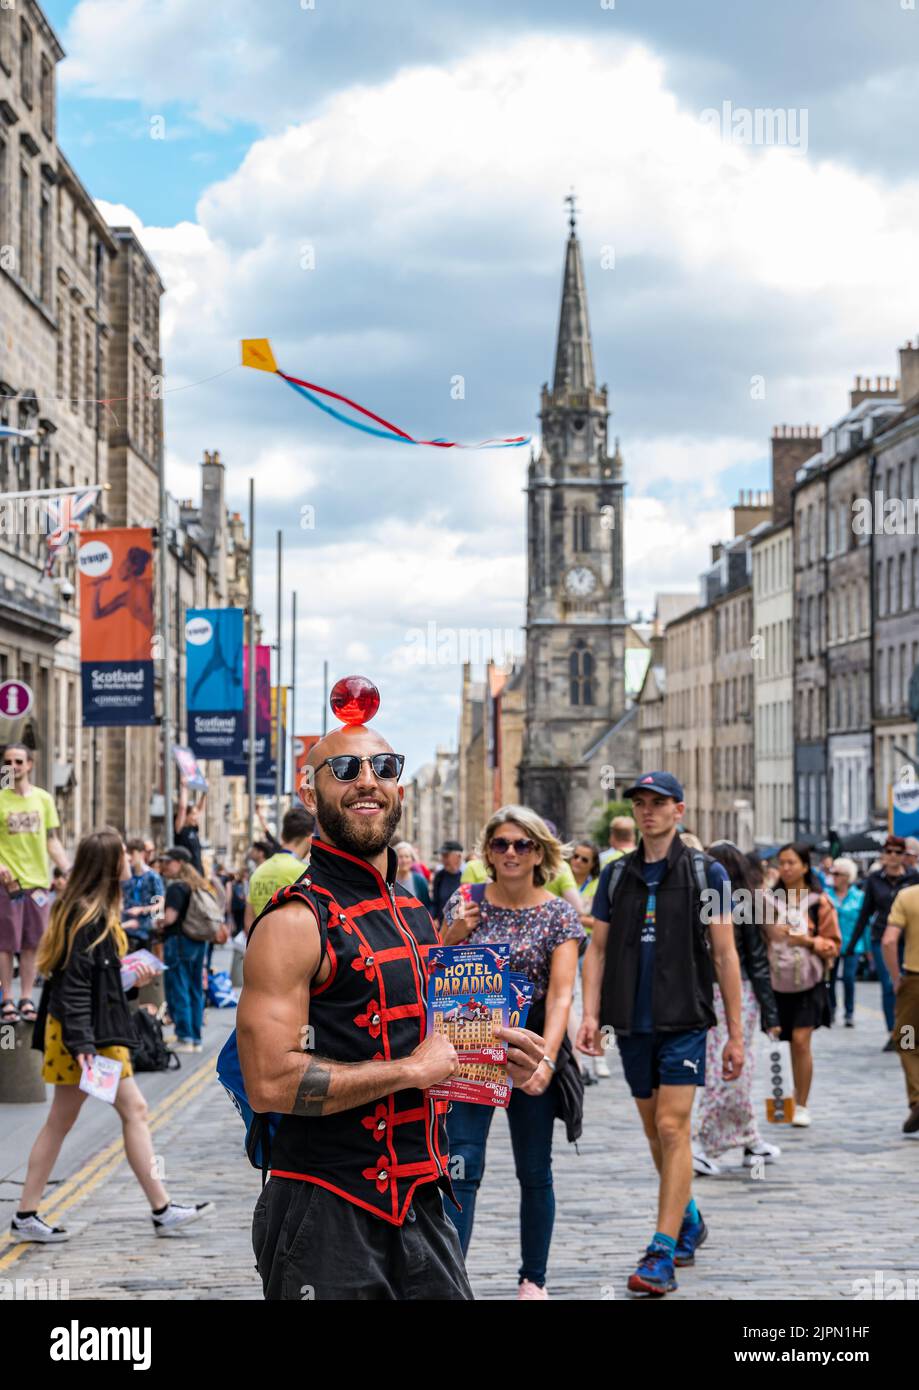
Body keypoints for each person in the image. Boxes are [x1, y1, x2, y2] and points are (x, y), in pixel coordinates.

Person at [237, 722, 545, 1301]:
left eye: (384, 768)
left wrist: (489, 1059)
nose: (368, 782)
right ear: (310, 794)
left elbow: (427, 1048)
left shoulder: (414, 911)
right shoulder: (293, 921)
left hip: (423, 1200)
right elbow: (270, 1082)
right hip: (326, 1207)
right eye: (346, 770)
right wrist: (410, 1072)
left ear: (400, 789)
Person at [577, 771, 744, 1297]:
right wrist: (590, 1015)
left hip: (685, 1019)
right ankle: (688, 1217)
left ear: (679, 810)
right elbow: (597, 949)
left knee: (674, 1128)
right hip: (632, 1021)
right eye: (641, 803)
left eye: (659, 802)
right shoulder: (615, 876)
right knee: (655, 1129)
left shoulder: (708, 873)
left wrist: (737, 1034)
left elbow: (725, 953)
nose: (648, 811)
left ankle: (660, 1252)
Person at [11, 828, 214, 1243]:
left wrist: (130, 979)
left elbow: (96, 980)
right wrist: (84, 1046)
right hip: (86, 1037)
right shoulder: (89, 916)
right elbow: (72, 987)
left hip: (91, 1032)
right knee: (85, 1118)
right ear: (108, 864)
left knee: (114, 1114)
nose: (128, 859)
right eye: (122, 853)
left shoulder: (91, 909)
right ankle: (156, 1209)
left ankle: (159, 1207)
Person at [440, 808, 583, 1298]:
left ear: (539, 852)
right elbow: (435, 972)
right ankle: (451, 1279)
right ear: (488, 853)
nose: (511, 854)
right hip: (469, 1048)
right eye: (500, 844)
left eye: (522, 845)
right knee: (461, 1165)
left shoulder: (558, 914)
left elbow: (562, 994)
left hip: (529, 1048)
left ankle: (533, 1279)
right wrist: (452, 933)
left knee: (535, 1169)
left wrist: (548, 1059)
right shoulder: (466, 902)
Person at [692, 841, 781, 1176]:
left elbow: (755, 961)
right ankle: (715, 1142)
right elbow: (758, 962)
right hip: (724, 991)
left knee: (731, 1071)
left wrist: (770, 1015)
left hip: (729, 990)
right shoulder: (733, 901)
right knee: (725, 1071)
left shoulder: (735, 902)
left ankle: (743, 1140)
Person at [764, 843, 840, 1128]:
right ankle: (782, 1101)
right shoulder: (767, 903)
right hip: (775, 981)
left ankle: (802, 1103)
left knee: (800, 1041)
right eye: (782, 862)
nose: (785, 868)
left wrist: (805, 940)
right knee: (778, 1043)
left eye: (792, 863)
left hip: (808, 981)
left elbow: (833, 945)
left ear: (805, 866)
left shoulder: (819, 902)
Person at [0, 743, 70, 1023]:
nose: (14, 766)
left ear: (30, 764)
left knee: (31, 944)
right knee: (5, 945)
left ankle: (26, 998)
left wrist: (68, 868)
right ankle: (6, 999)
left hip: (38, 882)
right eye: (8, 762)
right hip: (8, 883)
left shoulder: (43, 799)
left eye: (19, 761)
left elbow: (51, 840)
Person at [845, 835, 918, 1050]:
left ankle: (908, 1034)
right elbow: (865, 912)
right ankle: (893, 1031)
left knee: (910, 989)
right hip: (882, 938)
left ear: (904, 855)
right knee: (889, 985)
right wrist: (851, 946)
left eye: (898, 852)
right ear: (883, 855)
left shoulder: (914, 878)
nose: (893, 856)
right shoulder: (874, 880)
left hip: (910, 939)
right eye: (889, 851)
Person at [156, 846, 217, 1052]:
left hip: (178, 941)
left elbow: (170, 919)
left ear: (179, 863)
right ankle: (195, 1038)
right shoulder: (196, 886)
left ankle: (184, 1037)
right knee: (194, 988)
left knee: (178, 987)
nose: (163, 866)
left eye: (167, 861)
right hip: (198, 941)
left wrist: (157, 921)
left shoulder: (176, 888)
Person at [569, 841, 608, 1080]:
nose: (577, 862)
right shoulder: (561, 880)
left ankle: (601, 1056)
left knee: (598, 1004)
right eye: (575, 856)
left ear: (593, 865)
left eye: (584, 859)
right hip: (571, 948)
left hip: (593, 947)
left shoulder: (598, 885)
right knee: (573, 1004)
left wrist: (579, 918)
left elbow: (601, 922)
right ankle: (578, 1056)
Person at [883, 878, 919, 1133]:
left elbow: (888, 941)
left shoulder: (908, 896)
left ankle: (918, 1098)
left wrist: (896, 978)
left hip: (914, 984)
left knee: (907, 1040)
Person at [244, 808, 314, 932]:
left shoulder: (258, 871)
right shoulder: (305, 873)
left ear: (282, 835)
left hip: (261, 945)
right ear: (309, 838)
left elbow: (248, 921)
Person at [825, 858, 866, 1027]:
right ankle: (831, 1009)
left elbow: (865, 923)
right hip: (831, 943)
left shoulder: (859, 896)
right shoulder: (826, 894)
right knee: (830, 980)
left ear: (847, 877)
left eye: (837, 874)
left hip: (853, 944)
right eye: (832, 873)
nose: (833, 877)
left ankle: (849, 1012)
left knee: (849, 978)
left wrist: (868, 949)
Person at [121, 838, 165, 952]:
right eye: (128, 853)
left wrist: (142, 910)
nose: (129, 857)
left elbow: (159, 907)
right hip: (125, 928)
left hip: (145, 931)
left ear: (141, 854)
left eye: (132, 853)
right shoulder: (125, 876)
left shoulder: (152, 877)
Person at [173, 776, 205, 874]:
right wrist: (184, 788)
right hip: (186, 873)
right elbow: (182, 807)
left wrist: (205, 792)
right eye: (193, 814)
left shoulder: (193, 829)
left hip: (198, 871)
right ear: (186, 816)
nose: (196, 817)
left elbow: (201, 809)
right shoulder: (181, 829)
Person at [430, 840, 464, 927]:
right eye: (442, 856)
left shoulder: (466, 875)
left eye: (446, 856)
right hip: (442, 927)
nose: (443, 860)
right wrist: (433, 918)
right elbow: (435, 901)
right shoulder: (440, 876)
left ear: (458, 856)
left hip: (461, 927)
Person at [394, 841, 432, 912]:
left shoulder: (419, 880)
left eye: (407, 856)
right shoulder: (390, 880)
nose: (404, 860)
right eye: (400, 857)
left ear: (412, 860)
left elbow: (426, 906)